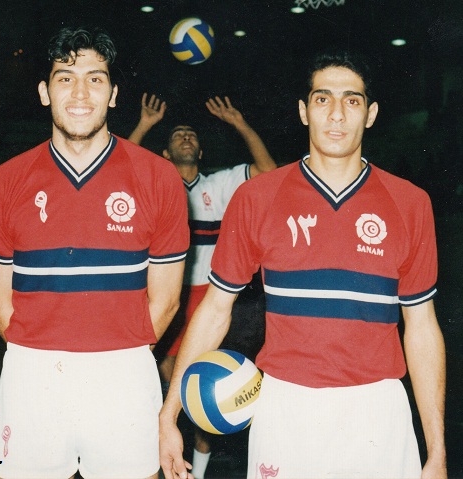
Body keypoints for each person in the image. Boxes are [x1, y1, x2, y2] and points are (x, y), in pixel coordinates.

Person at [159, 50, 447, 479]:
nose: (336, 114)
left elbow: (422, 327)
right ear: (303, 111)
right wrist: (169, 415)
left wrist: (437, 451)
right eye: (322, 99)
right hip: (285, 409)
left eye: (351, 100)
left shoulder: (410, 203)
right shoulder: (257, 198)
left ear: (370, 114)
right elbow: (215, 310)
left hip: (377, 411)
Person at [0, 26, 189, 479]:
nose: (80, 93)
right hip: (33, 373)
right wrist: (43, 354)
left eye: (95, 79)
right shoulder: (4, 181)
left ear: (113, 95)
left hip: (124, 372)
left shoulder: (159, 178)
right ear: (44, 92)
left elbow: (167, 300)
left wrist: (117, 354)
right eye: (65, 78)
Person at [128, 93, 276, 479]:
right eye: (177, 134)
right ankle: (152, 457)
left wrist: (240, 123)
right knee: (165, 383)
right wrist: (144, 124)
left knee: (202, 391)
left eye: (191, 134)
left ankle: (198, 469)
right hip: (166, 297)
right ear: (164, 153)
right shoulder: (156, 186)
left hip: (212, 301)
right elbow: (119, 166)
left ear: (201, 151)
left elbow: (268, 170)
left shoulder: (220, 185)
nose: (186, 136)